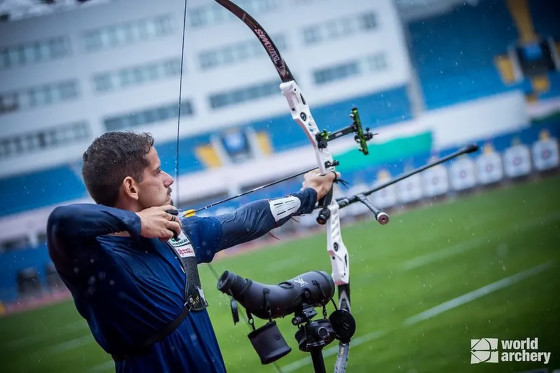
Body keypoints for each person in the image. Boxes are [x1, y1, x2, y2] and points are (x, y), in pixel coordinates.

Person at [47, 131, 338, 372]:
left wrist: (309, 195)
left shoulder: (175, 234)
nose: (168, 180)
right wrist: (137, 222)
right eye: (157, 172)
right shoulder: (98, 261)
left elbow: (244, 221)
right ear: (131, 188)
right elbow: (61, 222)